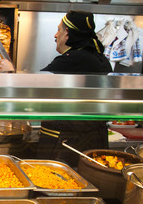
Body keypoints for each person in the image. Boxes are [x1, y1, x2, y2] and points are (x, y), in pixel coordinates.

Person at [37, 10, 112, 167]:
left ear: (68, 33)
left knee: (58, 187)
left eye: (59, 29)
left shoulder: (74, 60)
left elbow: (35, 87)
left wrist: (9, 71)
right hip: (92, 141)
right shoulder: (99, 58)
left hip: (68, 145)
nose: (55, 35)